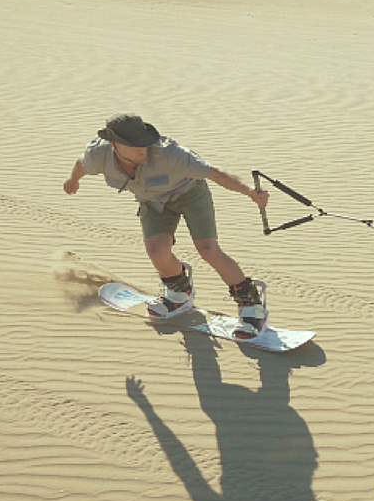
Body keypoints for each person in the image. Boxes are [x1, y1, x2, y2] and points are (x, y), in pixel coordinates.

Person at [64, 113, 270, 339]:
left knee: (208, 250)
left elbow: (216, 174)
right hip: (153, 203)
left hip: (190, 194)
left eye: (144, 142)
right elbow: (81, 165)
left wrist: (249, 191)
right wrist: (73, 181)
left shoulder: (171, 154)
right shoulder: (99, 155)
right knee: (156, 250)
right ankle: (179, 292)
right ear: (114, 144)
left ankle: (252, 307)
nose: (142, 149)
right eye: (134, 145)